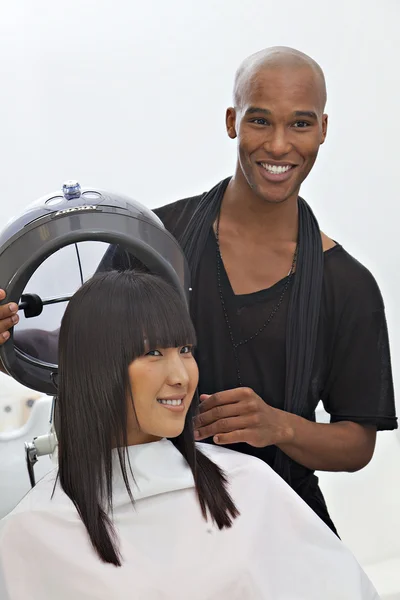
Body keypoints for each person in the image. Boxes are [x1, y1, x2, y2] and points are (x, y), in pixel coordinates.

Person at [0, 46, 396, 534]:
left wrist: (280, 426)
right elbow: (82, 355)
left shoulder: (349, 286)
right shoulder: (151, 243)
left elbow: (358, 443)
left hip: (278, 513)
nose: (278, 145)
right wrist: (8, 340)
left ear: (323, 129)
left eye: (300, 124)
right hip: (147, 504)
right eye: (259, 121)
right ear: (232, 121)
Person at [0, 270, 379, 599]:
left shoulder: (248, 486)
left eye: (184, 349)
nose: (182, 376)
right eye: (153, 353)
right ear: (97, 367)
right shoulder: (32, 530)